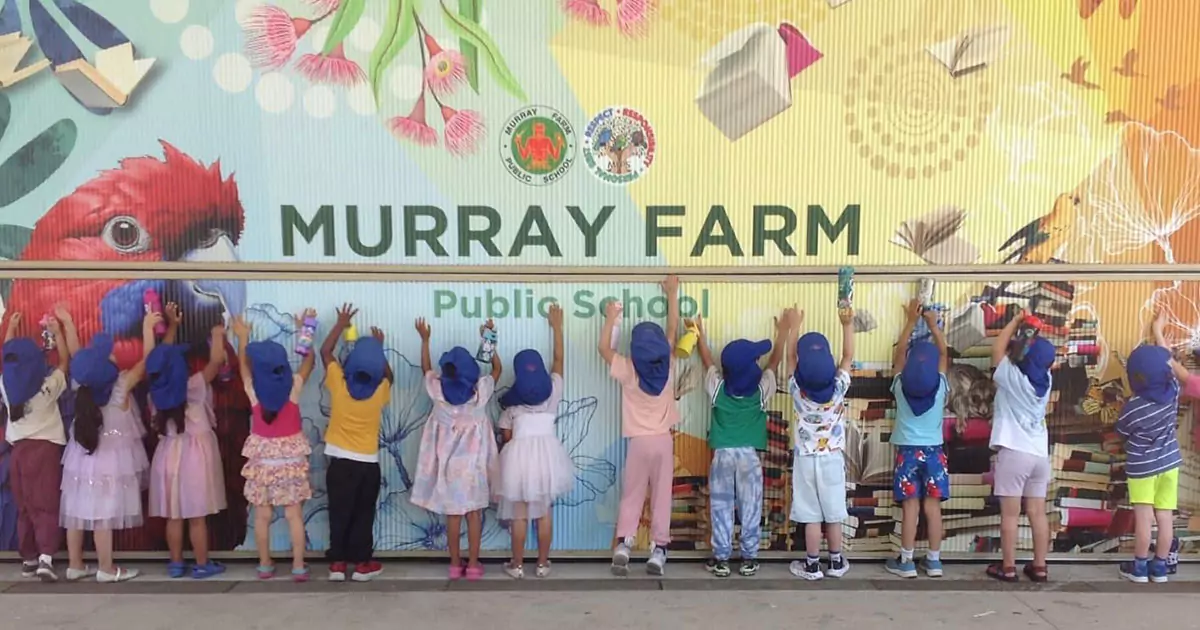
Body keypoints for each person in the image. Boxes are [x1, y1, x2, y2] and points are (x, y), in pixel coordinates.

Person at [60, 309, 158, 583]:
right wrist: (148, 328)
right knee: (103, 514)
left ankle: (75, 564)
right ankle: (106, 568)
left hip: (80, 458)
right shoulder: (120, 384)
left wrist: (68, 324)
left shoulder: (83, 382)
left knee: (76, 510)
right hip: (109, 461)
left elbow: (80, 357)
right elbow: (148, 361)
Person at [693, 309, 788, 578]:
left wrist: (699, 333)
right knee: (751, 505)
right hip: (749, 458)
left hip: (722, 457)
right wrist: (783, 332)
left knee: (721, 506)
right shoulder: (761, 391)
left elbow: (707, 360)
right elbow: (775, 362)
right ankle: (749, 558)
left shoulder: (717, 389)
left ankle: (721, 558)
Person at [598, 276, 681, 576]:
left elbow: (603, 349)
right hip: (663, 441)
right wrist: (672, 294)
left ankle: (624, 543)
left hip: (638, 443)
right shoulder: (669, 363)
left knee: (632, 493)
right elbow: (672, 329)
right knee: (661, 495)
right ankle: (658, 550)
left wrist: (611, 318)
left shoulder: (629, 370)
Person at [411, 318, 501, 580]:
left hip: (448, 469)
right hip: (473, 469)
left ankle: (454, 564)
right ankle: (473, 564)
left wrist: (425, 340)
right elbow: (497, 368)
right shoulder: (480, 395)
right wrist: (489, 339)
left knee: (453, 516)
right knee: (474, 515)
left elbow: (425, 369)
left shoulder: (438, 394)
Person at [233, 310, 317, 582]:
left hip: (263, 462)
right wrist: (304, 331)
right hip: (290, 462)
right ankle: (299, 566)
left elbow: (243, 367)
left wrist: (243, 338)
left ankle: (265, 564)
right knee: (294, 514)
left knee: (262, 515)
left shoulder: (254, 390)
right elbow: (310, 361)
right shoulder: (292, 386)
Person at [147, 308, 228, 579]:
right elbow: (216, 361)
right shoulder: (193, 385)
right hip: (195, 456)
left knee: (174, 514)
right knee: (197, 515)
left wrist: (171, 327)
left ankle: (176, 563)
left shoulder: (155, 394)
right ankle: (202, 564)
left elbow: (159, 363)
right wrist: (218, 333)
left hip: (168, 454)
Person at [496, 304, 574, 579]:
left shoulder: (511, 409)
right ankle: (542, 563)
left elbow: (505, 438)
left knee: (518, 514)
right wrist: (557, 328)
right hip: (547, 461)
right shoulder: (552, 394)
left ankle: (516, 565)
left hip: (517, 462)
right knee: (543, 513)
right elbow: (559, 360)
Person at [320, 304, 392, 583]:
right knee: (364, 514)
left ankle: (337, 564)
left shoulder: (339, 384)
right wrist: (380, 350)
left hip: (339, 463)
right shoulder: (379, 392)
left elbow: (325, 352)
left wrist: (341, 323)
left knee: (339, 512)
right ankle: (363, 564)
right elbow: (390, 377)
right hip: (367, 465)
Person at [786, 306, 855, 580]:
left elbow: (791, 357)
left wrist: (794, 327)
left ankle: (812, 566)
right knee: (833, 513)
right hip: (832, 458)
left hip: (805, 459)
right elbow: (848, 356)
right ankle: (836, 563)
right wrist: (846, 324)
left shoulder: (796, 389)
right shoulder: (838, 389)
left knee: (811, 514)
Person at [1116, 312, 1185, 584]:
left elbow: (1120, 431)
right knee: (1165, 516)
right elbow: (1169, 368)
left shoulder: (1134, 408)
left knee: (1144, 517)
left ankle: (1139, 567)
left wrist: (1157, 334)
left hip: (1142, 467)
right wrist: (1159, 335)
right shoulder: (1173, 393)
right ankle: (1159, 568)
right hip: (1170, 464)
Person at [986, 309, 1054, 583]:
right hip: (1039, 455)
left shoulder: (1011, 376)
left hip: (1015, 452)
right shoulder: (1046, 382)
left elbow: (997, 349)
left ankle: (1009, 567)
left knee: (1010, 514)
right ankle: (1039, 566)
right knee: (1037, 512)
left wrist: (1015, 322)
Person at [886, 300, 950, 579]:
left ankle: (907, 562)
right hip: (935, 453)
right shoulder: (940, 387)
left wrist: (910, 322)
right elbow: (945, 353)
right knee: (932, 507)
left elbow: (899, 353)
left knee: (910, 507)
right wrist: (934, 326)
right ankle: (934, 561)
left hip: (907, 454)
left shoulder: (900, 385)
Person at [3, 310, 69, 582]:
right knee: (45, 504)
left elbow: (7, 363)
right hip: (44, 450)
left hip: (17, 452)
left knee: (25, 505)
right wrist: (58, 334)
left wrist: (11, 328)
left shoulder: (6, 387)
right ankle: (46, 558)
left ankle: (28, 557)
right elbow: (64, 363)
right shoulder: (46, 388)